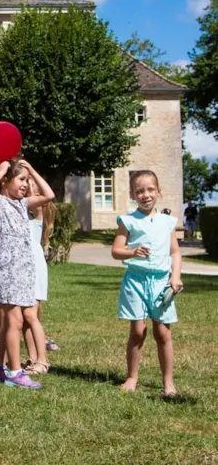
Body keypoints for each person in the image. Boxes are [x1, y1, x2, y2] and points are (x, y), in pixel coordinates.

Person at [0, 160, 54, 391]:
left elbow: (49, 195)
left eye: (26, 181)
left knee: (10, 321)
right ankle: (14, 372)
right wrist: (2, 169)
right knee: (16, 320)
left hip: (23, 269)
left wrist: (31, 170)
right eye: (21, 179)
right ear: (6, 181)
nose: (25, 184)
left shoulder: (23, 204)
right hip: (8, 268)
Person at [112, 170, 183, 397]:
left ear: (159, 192)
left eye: (151, 189)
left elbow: (175, 252)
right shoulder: (128, 221)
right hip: (136, 281)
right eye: (140, 191)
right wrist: (132, 252)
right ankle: (132, 377)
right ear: (133, 194)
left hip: (161, 282)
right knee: (138, 331)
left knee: (163, 333)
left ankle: (168, 382)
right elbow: (116, 251)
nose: (146, 195)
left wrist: (175, 276)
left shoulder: (167, 222)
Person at [21, 178, 56, 375]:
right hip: (21, 268)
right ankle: (33, 358)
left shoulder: (36, 212)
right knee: (24, 317)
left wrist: (31, 172)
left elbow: (47, 195)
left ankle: (43, 360)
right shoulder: (19, 211)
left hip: (34, 269)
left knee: (30, 315)